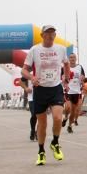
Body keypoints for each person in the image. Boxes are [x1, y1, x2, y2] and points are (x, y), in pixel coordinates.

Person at [22, 25, 69, 166]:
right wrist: (32, 78)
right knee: (42, 124)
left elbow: (66, 64)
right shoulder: (34, 50)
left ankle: (55, 142)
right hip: (40, 90)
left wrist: (66, 77)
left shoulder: (61, 49)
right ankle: (41, 151)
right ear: (42, 35)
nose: (50, 35)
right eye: (48, 33)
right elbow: (24, 71)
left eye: (53, 33)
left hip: (55, 88)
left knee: (57, 117)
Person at [62, 53, 86, 133]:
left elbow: (83, 77)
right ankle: (65, 117)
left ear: (76, 58)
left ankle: (69, 126)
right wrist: (65, 82)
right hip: (68, 91)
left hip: (77, 91)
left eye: (73, 57)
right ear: (69, 59)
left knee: (74, 111)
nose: (72, 59)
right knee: (68, 107)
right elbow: (62, 77)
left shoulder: (80, 67)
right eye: (71, 57)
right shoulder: (65, 67)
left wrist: (82, 80)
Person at [19, 76, 36, 140]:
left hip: (43, 97)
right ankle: (33, 130)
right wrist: (26, 88)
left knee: (41, 116)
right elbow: (20, 82)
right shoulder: (29, 73)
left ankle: (38, 132)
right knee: (34, 115)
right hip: (32, 98)